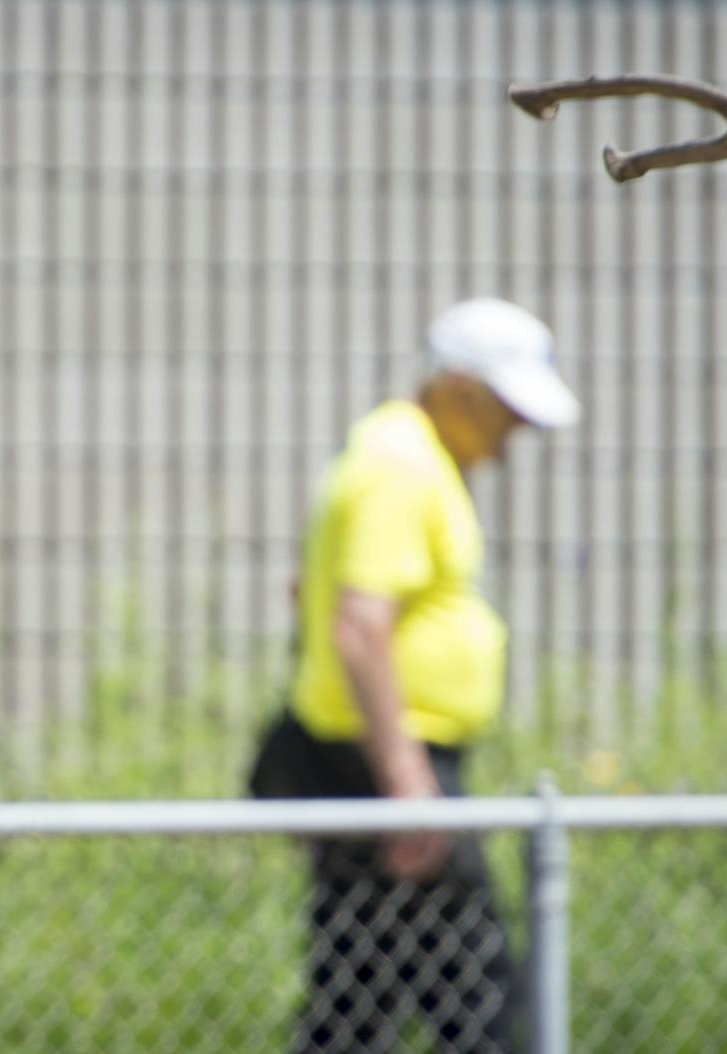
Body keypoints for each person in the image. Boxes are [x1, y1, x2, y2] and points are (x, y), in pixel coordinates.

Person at [251, 298, 581, 1053]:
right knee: (486, 1008)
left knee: (358, 1004)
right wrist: (407, 786)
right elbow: (360, 625)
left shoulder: (395, 458)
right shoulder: (399, 466)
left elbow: (312, 591)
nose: (516, 431)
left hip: (374, 766)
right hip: (390, 773)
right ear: (459, 388)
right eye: (508, 409)